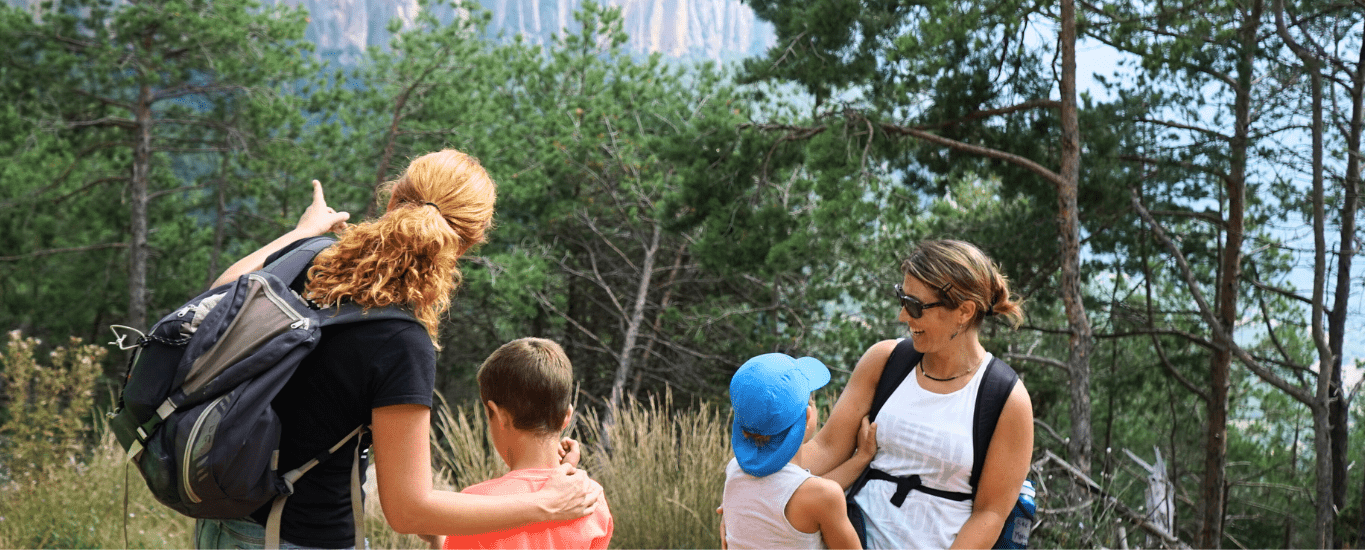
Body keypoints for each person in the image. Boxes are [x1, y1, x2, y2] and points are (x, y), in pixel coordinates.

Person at [195, 150, 601, 549]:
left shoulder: (313, 259)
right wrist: (545, 503)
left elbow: (217, 299)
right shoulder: (401, 340)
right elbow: (409, 510)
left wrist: (303, 232)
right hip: (299, 537)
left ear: (392, 200)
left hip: (222, 519)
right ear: (464, 245)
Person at [800, 239, 1033, 549]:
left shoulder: (1005, 398)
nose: (902, 316)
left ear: (964, 311)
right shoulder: (884, 361)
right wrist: (757, 488)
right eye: (902, 298)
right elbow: (827, 448)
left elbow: (989, 514)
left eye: (915, 306)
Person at [437, 337, 613, 550]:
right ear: (567, 415)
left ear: (497, 414)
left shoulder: (475, 505)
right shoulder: (590, 497)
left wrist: (436, 540)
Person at [720, 353, 877, 550]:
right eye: (811, 401)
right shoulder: (821, 496)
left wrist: (861, 459)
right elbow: (811, 496)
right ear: (808, 416)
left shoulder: (734, 472)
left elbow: (793, 491)